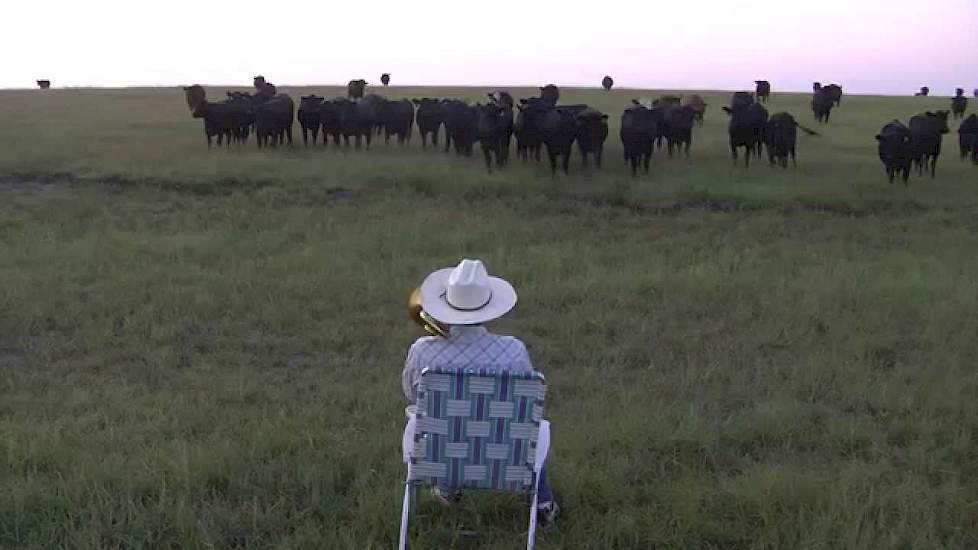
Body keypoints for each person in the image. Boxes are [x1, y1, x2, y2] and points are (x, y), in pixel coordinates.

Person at [402, 258, 559, 525]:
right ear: (490, 308)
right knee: (535, 428)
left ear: (446, 305)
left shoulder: (421, 350)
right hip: (503, 454)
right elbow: (526, 406)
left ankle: (448, 484)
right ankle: (542, 502)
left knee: (437, 420)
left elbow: (411, 394)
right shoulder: (513, 350)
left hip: (438, 452)